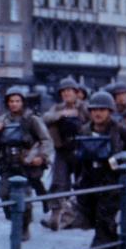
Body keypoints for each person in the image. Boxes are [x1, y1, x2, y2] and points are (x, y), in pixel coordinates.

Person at [75, 91, 126, 249]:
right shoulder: (85, 130)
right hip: (91, 181)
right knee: (98, 219)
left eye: (102, 110)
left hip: (114, 182)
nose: (98, 113)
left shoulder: (120, 130)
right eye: (94, 109)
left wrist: (122, 160)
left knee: (104, 219)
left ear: (110, 111)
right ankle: (119, 248)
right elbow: (80, 159)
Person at [0, 87, 52, 241]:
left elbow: (46, 140)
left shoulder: (31, 119)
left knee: (25, 198)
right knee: (4, 195)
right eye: (11, 101)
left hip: (26, 163)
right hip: (7, 163)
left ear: (23, 102)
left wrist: (42, 158)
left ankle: (23, 227)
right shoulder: (2, 119)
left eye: (17, 101)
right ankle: (15, 221)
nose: (14, 104)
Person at [41, 77, 89, 231]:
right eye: (63, 91)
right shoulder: (57, 108)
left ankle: (77, 217)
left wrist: (78, 117)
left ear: (76, 93)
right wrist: (62, 115)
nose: (66, 94)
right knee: (58, 183)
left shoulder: (84, 107)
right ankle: (55, 217)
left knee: (81, 184)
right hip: (62, 150)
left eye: (70, 91)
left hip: (81, 150)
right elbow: (45, 118)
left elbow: (92, 122)